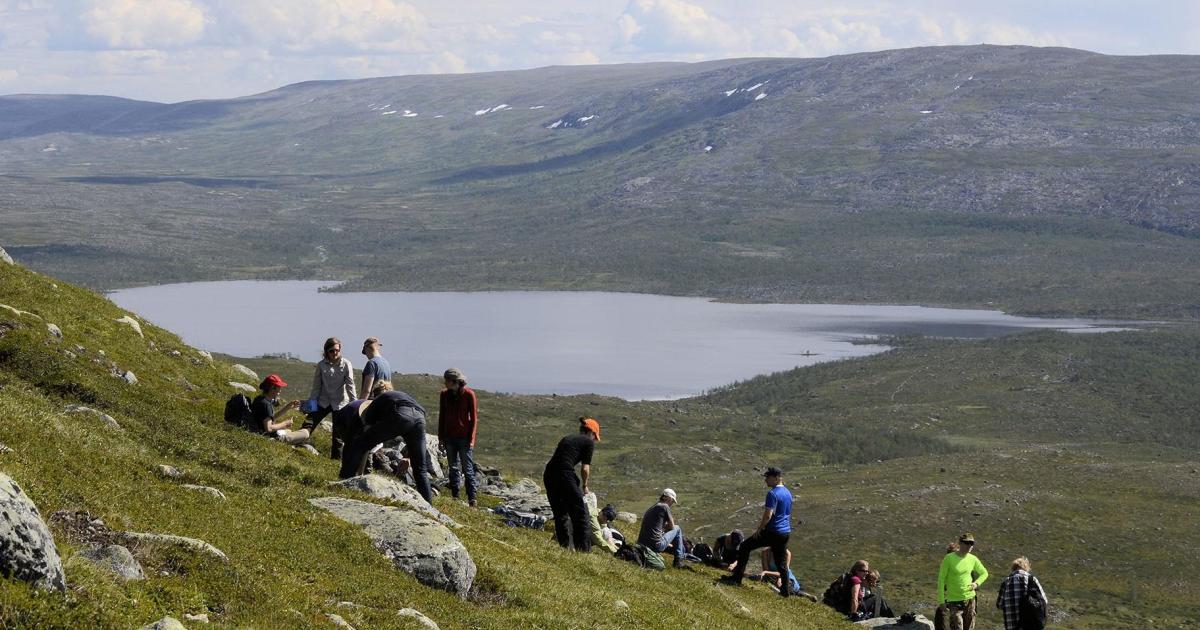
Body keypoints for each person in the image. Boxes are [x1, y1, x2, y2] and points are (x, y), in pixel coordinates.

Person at [338, 388, 432, 503]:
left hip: (401, 414)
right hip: (420, 418)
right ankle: (428, 505)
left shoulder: (373, 406)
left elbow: (368, 426)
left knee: (359, 444)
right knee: (420, 468)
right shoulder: (396, 395)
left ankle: (344, 481)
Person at [718, 466, 793, 598]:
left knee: (745, 546)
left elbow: (768, 515)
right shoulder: (788, 493)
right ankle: (785, 592)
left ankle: (736, 578)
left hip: (772, 531)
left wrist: (759, 529)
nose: (766, 480)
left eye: (768, 478)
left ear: (776, 478)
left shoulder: (773, 493)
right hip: (785, 532)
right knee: (781, 562)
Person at [542, 417, 601, 552]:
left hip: (549, 474)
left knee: (560, 513)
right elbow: (585, 468)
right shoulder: (588, 443)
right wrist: (585, 486)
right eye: (595, 437)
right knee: (580, 514)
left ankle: (565, 547)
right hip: (565, 475)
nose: (594, 440)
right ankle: (583, 550)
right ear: (591, 433)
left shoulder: (568, 438)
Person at [305, 337, 357, 457]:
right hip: (323, 400)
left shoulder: (346, 364)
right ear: (326, 351)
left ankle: (335, 462)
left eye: (337, 350)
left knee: (338, 436)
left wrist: (355, 405)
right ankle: (297, 443)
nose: (334, 353)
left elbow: (350, 386)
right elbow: (316, 387)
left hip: (340, 402)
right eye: (331, 351)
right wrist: (310, 406)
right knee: (308, 423)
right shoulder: (321, 365)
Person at [438, 367, 478, 506]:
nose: (445, 383)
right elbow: (442, 416)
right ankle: (455, 495)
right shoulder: (444, 395)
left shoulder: (469, 394)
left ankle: (472, 498)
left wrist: (471, 439)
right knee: (453, 467)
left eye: (447, 381)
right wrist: (440, 437)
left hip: (464, 438)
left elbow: (473, 419)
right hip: (449, 436)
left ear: (454, 381)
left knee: (467, 469)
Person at [937, 532, 989, 630]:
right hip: (954, 601)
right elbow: (941, 579)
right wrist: (941, 600)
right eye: (967, 543)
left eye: (972, 543)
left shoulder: (973, 559)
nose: (969, 545)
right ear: (960, 543)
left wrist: (976, 583)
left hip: (970, 600)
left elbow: (984, 573)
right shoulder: (949, 558)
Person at [637, 489, 689, 568]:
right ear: (669, 498)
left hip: (643, 543)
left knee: (672, 534)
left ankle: (678, 554)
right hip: (655, 545)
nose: (671, 504)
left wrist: (663, 531)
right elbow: (672, 526)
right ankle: (678, 561)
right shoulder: (664, 506)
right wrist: (665, 530)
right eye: (672, 501)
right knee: (677, 528)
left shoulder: (653, 507)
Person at [996, 556, 1048, 630]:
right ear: (1026, 567)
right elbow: (1044, 601)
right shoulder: (1031, 579)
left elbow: (999, 605)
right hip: (1029, 625)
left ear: (1013, 568)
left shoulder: (1005, 582)